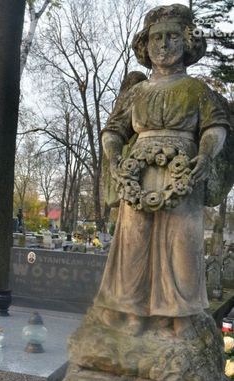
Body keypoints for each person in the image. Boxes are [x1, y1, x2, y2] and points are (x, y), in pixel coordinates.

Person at [94, 4, 231, 337]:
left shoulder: (196, 90)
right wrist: (114, 157)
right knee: (134, 243)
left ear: (187, 42)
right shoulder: (137, 92)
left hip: (184, 172)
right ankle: (132, 311)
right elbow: (113, 131)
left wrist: (206, 155)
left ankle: (179, 314)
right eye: (157, 37)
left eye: (172, 37)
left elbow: (216, 127)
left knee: (181, 244)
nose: (164, 44)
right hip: (137, 176)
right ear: (146, 44)